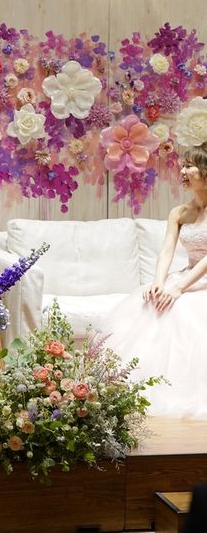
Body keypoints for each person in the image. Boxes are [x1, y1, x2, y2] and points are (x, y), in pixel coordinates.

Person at [95, 143, 207, 419]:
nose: (183, 171)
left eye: (190, 166)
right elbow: (167, 250)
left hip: (199, 280)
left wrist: (179, 288)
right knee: (153, 301)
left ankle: (183, 389)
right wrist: (159, 281)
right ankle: (138, 384)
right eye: (183, 166)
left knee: (181, 308)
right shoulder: (180, 212)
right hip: (186, 274)